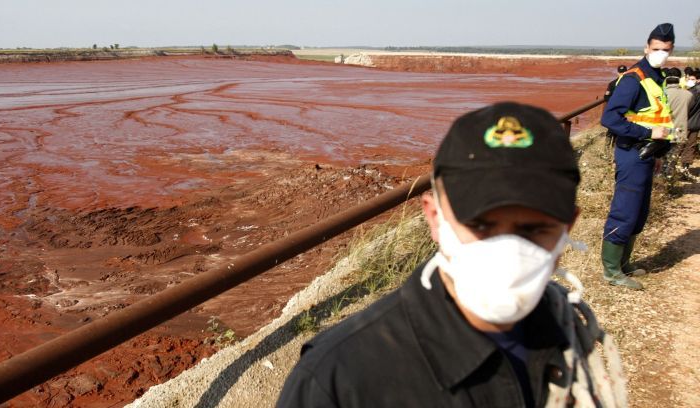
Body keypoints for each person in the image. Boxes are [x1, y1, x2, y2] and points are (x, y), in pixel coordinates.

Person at [278, 102, 627, 408]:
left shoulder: (568, 332)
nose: (508, 252)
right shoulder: (338, 379)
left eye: (533, 230)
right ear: (434, 218)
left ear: (568, 226)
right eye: (481, 225)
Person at [599, 23, 676, 290]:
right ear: (646, 48)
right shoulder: (634, 79)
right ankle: (610, 271)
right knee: (625, 211)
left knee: (639, 212)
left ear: (672, 49)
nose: (661, 53)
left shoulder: (657, 77)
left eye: (665, 50)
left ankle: (624, 263)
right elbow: (609, 118)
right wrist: (647, 131)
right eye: (656, 49)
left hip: (647, 154)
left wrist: (658, 151)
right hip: (631, 152)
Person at [664, 67, 694, 177]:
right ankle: (669, 181)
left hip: (662, 131)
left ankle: (660, 183)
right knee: (672, 158)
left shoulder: (660, 94)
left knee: (660, 158)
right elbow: (689, 109)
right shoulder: (688, 95)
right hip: (679, 131)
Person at [682, 68, 700, 177]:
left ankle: (672, 171)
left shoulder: (693, 92)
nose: (689, 80)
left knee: (677, 146)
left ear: (698, 80)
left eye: (692, 79)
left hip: (684, 122)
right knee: (690, 147)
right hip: (695, 124)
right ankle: (685, 169)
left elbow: (687, 108)